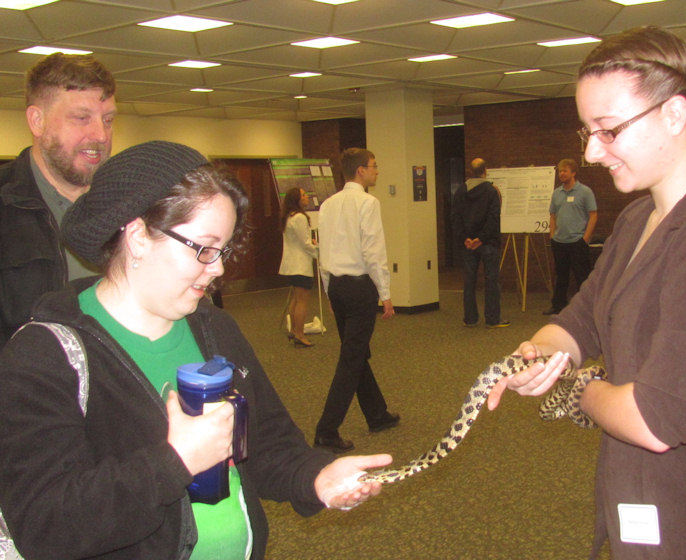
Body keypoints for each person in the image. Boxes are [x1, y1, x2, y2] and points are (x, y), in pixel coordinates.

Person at [0, 141, 392, 560]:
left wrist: (315, 477)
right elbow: (45, 524)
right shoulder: (45, 356)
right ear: (137, 237)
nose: (219, 267)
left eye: (222, 250)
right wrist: (175, 461)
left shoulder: (215, 329)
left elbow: (267, 442)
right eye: (204, 248)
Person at [488, 26, 686, 559]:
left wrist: (576, 387)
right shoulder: (637, 220)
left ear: (674, 115)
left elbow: (655, 420)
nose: (592, 151)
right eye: (586, 132)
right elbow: (579, 321)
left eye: (608, 130)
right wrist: (536, 355)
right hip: (637, 502)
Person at [0, 52, 116, 347]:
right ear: (37, 121)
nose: (101, 134)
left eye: (108, 119)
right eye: (82, 118)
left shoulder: (129, 205)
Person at [314, 147, 399, 453]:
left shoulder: (328, 205)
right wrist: (385, 294)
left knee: (356, 351)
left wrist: (328, 286)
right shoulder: (368, 202)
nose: (378, 171)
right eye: (374, 166)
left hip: (336, 286)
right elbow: (373, 251)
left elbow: (323, 251)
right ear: (360, 171)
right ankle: (327, 429)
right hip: (360, 288)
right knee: (351, 358)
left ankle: (377, 415)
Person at [451, 157, 508, 328]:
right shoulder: (491, 191)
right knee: (491, 281)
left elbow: (455, 217)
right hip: (488, 243)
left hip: (468, 244)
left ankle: (470, 318)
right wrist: (481, 238)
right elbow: (493, 218)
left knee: (469, 281)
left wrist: (465, 238)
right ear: (485, 171)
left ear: (471, 172)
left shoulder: (461, 191)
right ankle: (492, 319)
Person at [544, 158, 598, 315]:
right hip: (559, 242)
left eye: (565, 171)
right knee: (561, 276)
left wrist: (585, 239)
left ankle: (586, 308)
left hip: (577, 242)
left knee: (582, 276)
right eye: (560, 171)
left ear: (573, 173)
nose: (561, 174)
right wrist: (552, 236)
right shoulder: (557, 193)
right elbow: (553, 216)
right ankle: (558, 305)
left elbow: (593, 215)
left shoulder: (585, 192)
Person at [279, 187, 318, 348]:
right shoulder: (300, 217)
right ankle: (300, 334)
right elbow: (305, 243)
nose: (306, 196)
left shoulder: (289, 216)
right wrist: (320, 249)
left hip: (292, 264)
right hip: (300, 264)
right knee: (302, 300)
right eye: (303, 195)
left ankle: (294, 331)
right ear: (297, 199)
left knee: (296, 298)